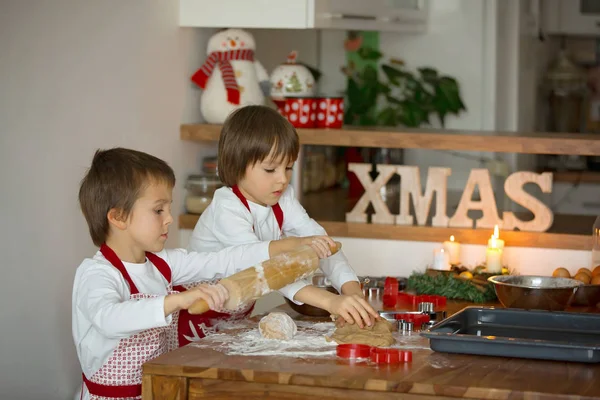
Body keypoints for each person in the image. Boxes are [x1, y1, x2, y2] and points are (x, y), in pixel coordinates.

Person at [72, 148, 331, 400]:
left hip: (160, 391)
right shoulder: (97, 273)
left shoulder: (163, 263)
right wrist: (177, 301)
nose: (169, 219)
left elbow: (224, 260)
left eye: (169, 209)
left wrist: (284, 245)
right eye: (158, 210)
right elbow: (108, 318)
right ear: (118, 217)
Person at [189, 105, 379, 329]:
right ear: (236, 165)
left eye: (288, 167)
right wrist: (331, 301)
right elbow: (266, 268)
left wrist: (352, 291)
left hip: (235, 312)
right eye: (270, 170)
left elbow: (322, 243)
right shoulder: (226, 208)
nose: (282, 179)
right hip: (195, 314)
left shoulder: (282, 199)